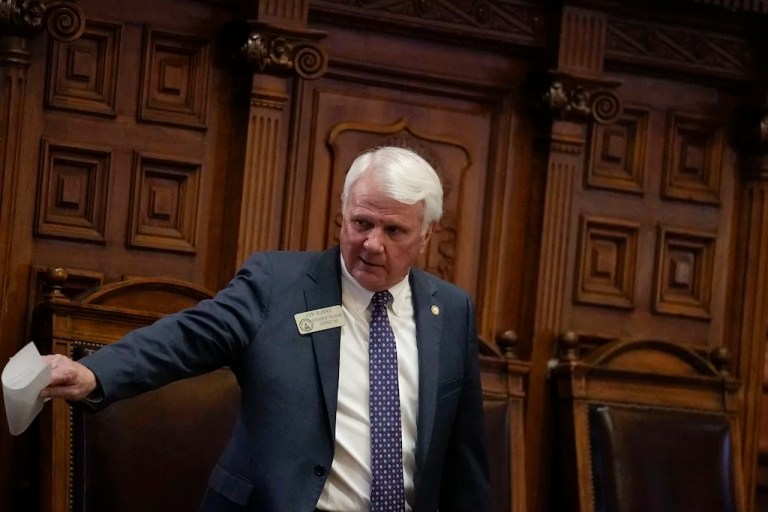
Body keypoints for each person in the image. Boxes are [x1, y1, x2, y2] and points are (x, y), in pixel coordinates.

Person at [41, 146, 491, 511]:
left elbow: (463, 461)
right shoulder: (278, 285)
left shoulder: (450, 311)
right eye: (362, 223)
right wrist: (96, 373)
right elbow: (189, 336)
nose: (372, 244)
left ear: (427, 235)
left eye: (394, 230)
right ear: (343, 214)